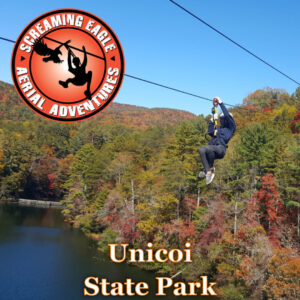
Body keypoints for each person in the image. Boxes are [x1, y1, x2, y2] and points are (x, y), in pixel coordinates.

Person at [198, 97, 236, 185]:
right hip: (213, 148)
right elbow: (210, 132)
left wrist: (221, 103)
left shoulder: (230, 128)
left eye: (223, 119)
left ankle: (209, 170)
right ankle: (208, 170)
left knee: (209, 148)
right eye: (221, 119)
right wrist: (212, 120)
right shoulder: (218, 129)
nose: (222, 120)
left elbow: (227, 115)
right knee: (201, 150)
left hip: (221, 149)